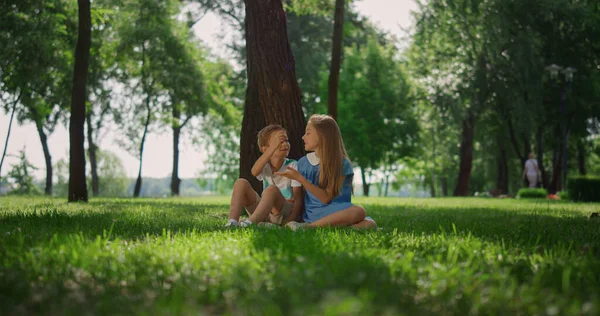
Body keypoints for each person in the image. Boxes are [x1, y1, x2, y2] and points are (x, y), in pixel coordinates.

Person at [276, 114, 377, 231]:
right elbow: (308, 199)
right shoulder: (303, 163)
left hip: (338, 212)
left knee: (370, 224)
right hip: (315, 213)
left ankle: (324, 227)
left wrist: (301, 179)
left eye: (308, 133)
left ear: (322, 136)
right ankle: (310, 227)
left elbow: (326, 198)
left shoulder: (342, 163)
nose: (303, 137)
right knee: (359, 211)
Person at [225, 125, 303, 227]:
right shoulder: (264, 166)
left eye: (286, 141)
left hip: (282, 212)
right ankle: (232, 222)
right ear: (265, 149)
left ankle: (249, 223)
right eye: (279, 142)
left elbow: (298, 198)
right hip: (264, 211)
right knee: (241, 183)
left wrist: (290, 219)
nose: (285, 144)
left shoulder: (293, 165)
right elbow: (254, 172)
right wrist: (272, 148)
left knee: (271, 189)